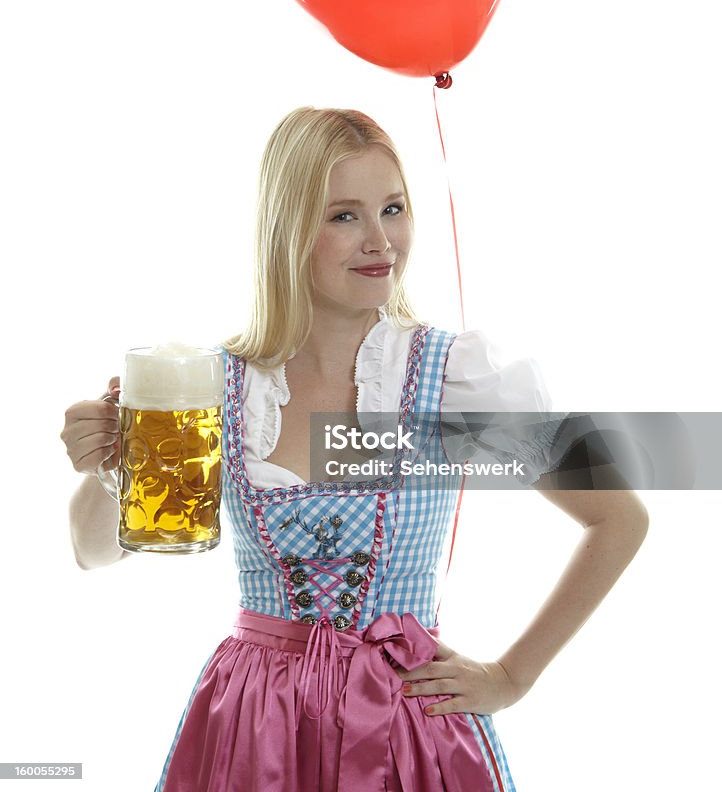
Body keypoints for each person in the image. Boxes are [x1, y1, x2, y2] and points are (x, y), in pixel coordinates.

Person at [62, 106, 649, 792]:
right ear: (287, 230)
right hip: (254, 726)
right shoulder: (212, 383)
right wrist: (112, 468)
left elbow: (618, 518)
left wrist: (512, 675)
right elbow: (91, 551)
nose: (382, 241)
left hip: (405, 721)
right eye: (345, 216)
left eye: (394, 208)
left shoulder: (451, 376)